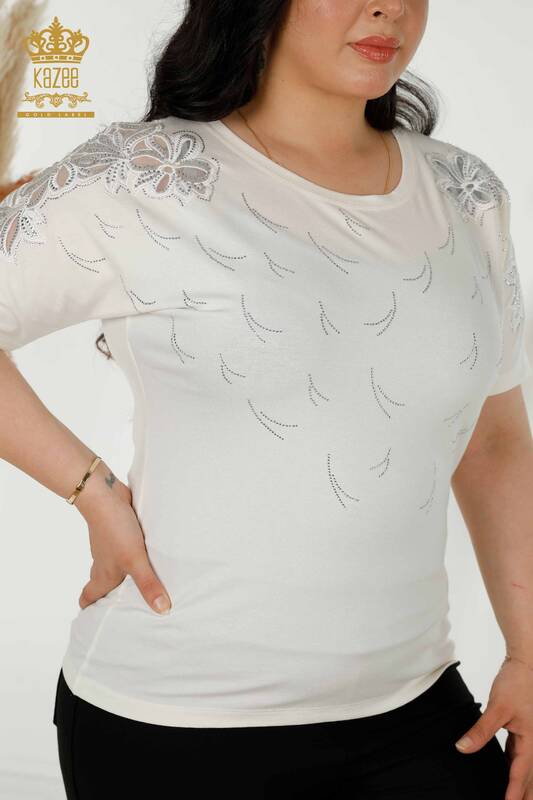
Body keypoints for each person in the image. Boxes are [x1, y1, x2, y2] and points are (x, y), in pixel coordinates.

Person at [1, 0, 532, 797]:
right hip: (173, 728)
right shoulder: (144, 175)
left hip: (417, 712)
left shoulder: (464, 193)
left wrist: (527, 651)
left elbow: (493, 441)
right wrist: (91, 489)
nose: (387, 7)